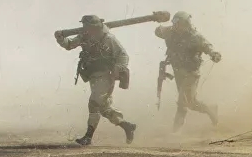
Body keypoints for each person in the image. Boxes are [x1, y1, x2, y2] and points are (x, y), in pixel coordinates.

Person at [57, 14, 136, 146]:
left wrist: (117, 69)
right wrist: (60, 39)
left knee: (93, 103)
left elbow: (123, 55)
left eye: (87, 26)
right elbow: (70, 44)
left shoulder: (108, 38)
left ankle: (88, 137)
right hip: (93, 76)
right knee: (103, 108)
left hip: (106, 76)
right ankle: (126, 126)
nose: (84, 28)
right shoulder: (83, 36)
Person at [154, 11, 221, 130]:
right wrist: (156, 18)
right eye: (174, 23)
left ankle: (176, 131)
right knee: (188, 102)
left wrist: (214, 54)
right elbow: (158, 31)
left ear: (186, 24)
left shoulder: (195, 37)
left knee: (184, 101)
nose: (175, 26)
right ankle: (177, 130)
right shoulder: (170, 32)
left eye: (178, 23)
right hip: (178, 71)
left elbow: (207, 46)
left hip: (191, 73)